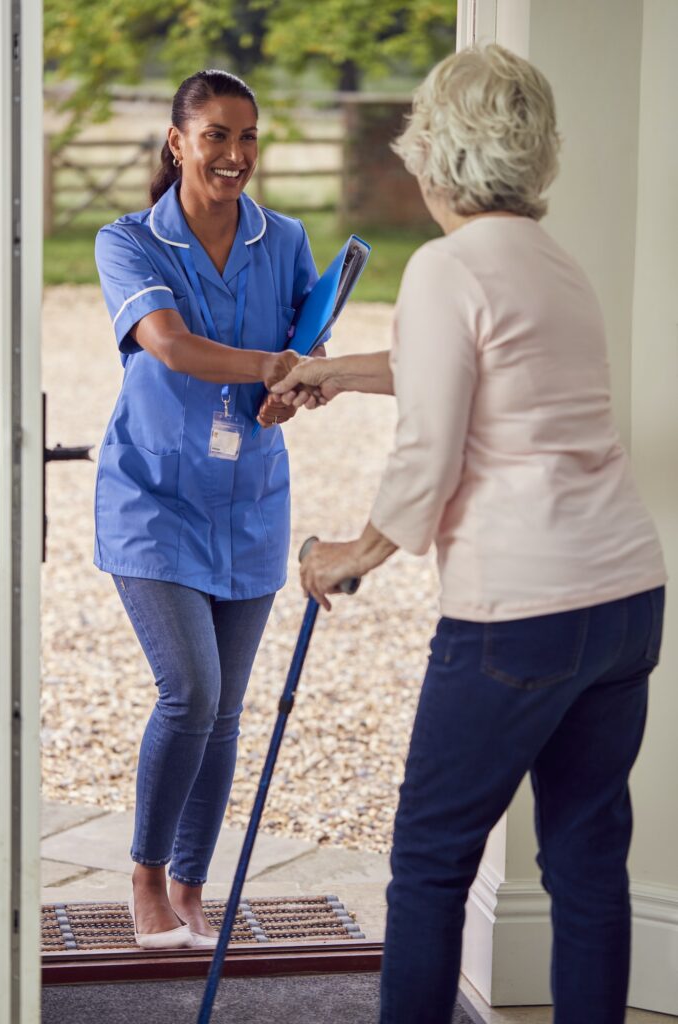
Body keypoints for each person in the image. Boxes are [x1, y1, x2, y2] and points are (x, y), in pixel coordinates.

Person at [272, 45, 667, 1024]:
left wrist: (352, 555)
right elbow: (461, 364)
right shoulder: (554, 264)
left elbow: (429, 450)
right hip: (623, 599)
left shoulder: (446, 266)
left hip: (519, 614)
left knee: (430, 861)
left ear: (435, 149)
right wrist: (330, 372)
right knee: (586, 858)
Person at [93, 69, 316, 949]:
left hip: (250, 501)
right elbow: (171, 344)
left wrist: (296, 386)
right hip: (154, 500)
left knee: (225, 711)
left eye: (247, 135)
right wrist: (270, 367)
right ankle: (146, 875)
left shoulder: (285, 239)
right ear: (177, 142)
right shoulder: (128, 241)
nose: (235, 153)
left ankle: (192, 882)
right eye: (216, 134)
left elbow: (308, 345)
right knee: (189, 690)